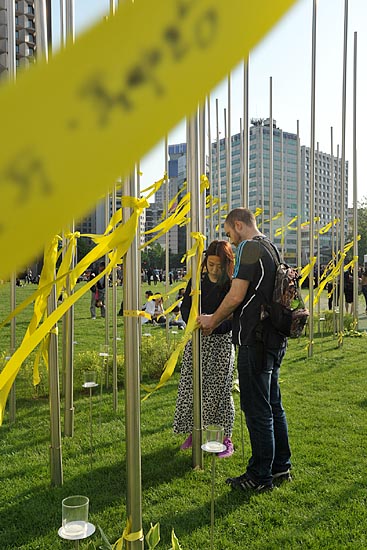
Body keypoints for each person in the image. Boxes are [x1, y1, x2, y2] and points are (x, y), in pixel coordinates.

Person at [198, 208, 291, 492]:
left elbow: (236, 294)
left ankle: (259, 475)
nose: (231, 240)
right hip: (273, 338)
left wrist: (212, 320)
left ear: (238, 225)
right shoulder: (271, 247)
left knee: (257, 409)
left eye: (229, 233)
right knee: (273, 404)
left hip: (255, 339)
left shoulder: (249, 248)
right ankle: (280, 467)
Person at [173, 240, 235, 459]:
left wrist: (216, 325)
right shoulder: (197, 281)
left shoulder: (231, 284)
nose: (215, 270)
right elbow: (186, 307)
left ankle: (224, 437)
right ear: (205, 262)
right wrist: (196, 323)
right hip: (198, 340)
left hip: (221, 343)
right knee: (192, 387)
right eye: (211, 265)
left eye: (219, 265)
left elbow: (234, 317)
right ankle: (195, 431)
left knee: (220, 389)